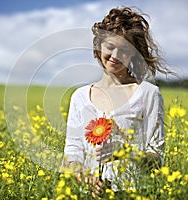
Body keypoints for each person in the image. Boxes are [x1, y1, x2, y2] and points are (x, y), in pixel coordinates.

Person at [60, 6, 171, 197]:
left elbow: (157, 158)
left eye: (125, 50)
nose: (115, 56)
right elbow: (71, 153)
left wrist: (126, 152)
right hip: (87, 194)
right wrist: (86, 178)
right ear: (99, 47)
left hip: (131, 193)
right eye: (110, 47)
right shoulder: (79, 96)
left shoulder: (148, 94)